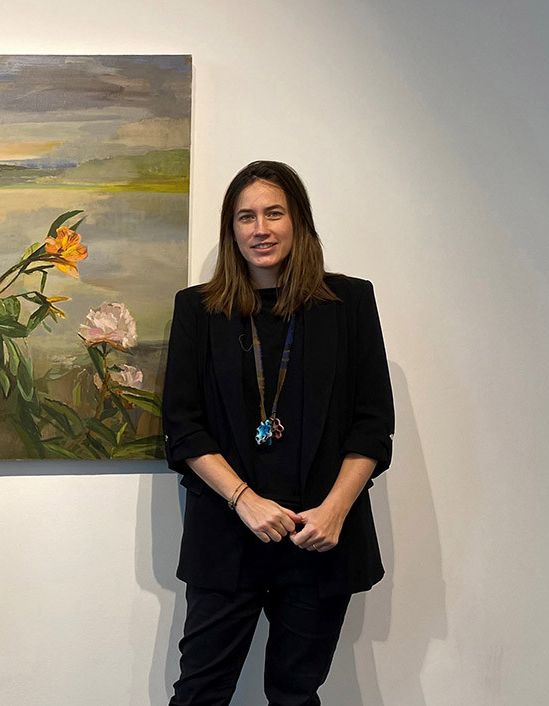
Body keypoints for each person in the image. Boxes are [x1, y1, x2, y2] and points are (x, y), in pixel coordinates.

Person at [162, 160, 393, 706]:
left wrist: (335, 510)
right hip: (227, 532)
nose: (259, 228)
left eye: (273, 213)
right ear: (231, 229)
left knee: (294, 694)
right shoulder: (197, 309)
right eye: (246, 217)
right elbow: (183, 426)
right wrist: (243, 499)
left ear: (298, 222)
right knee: (200, 692)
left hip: (319, 537)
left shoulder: (350, 303)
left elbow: (373, 423)